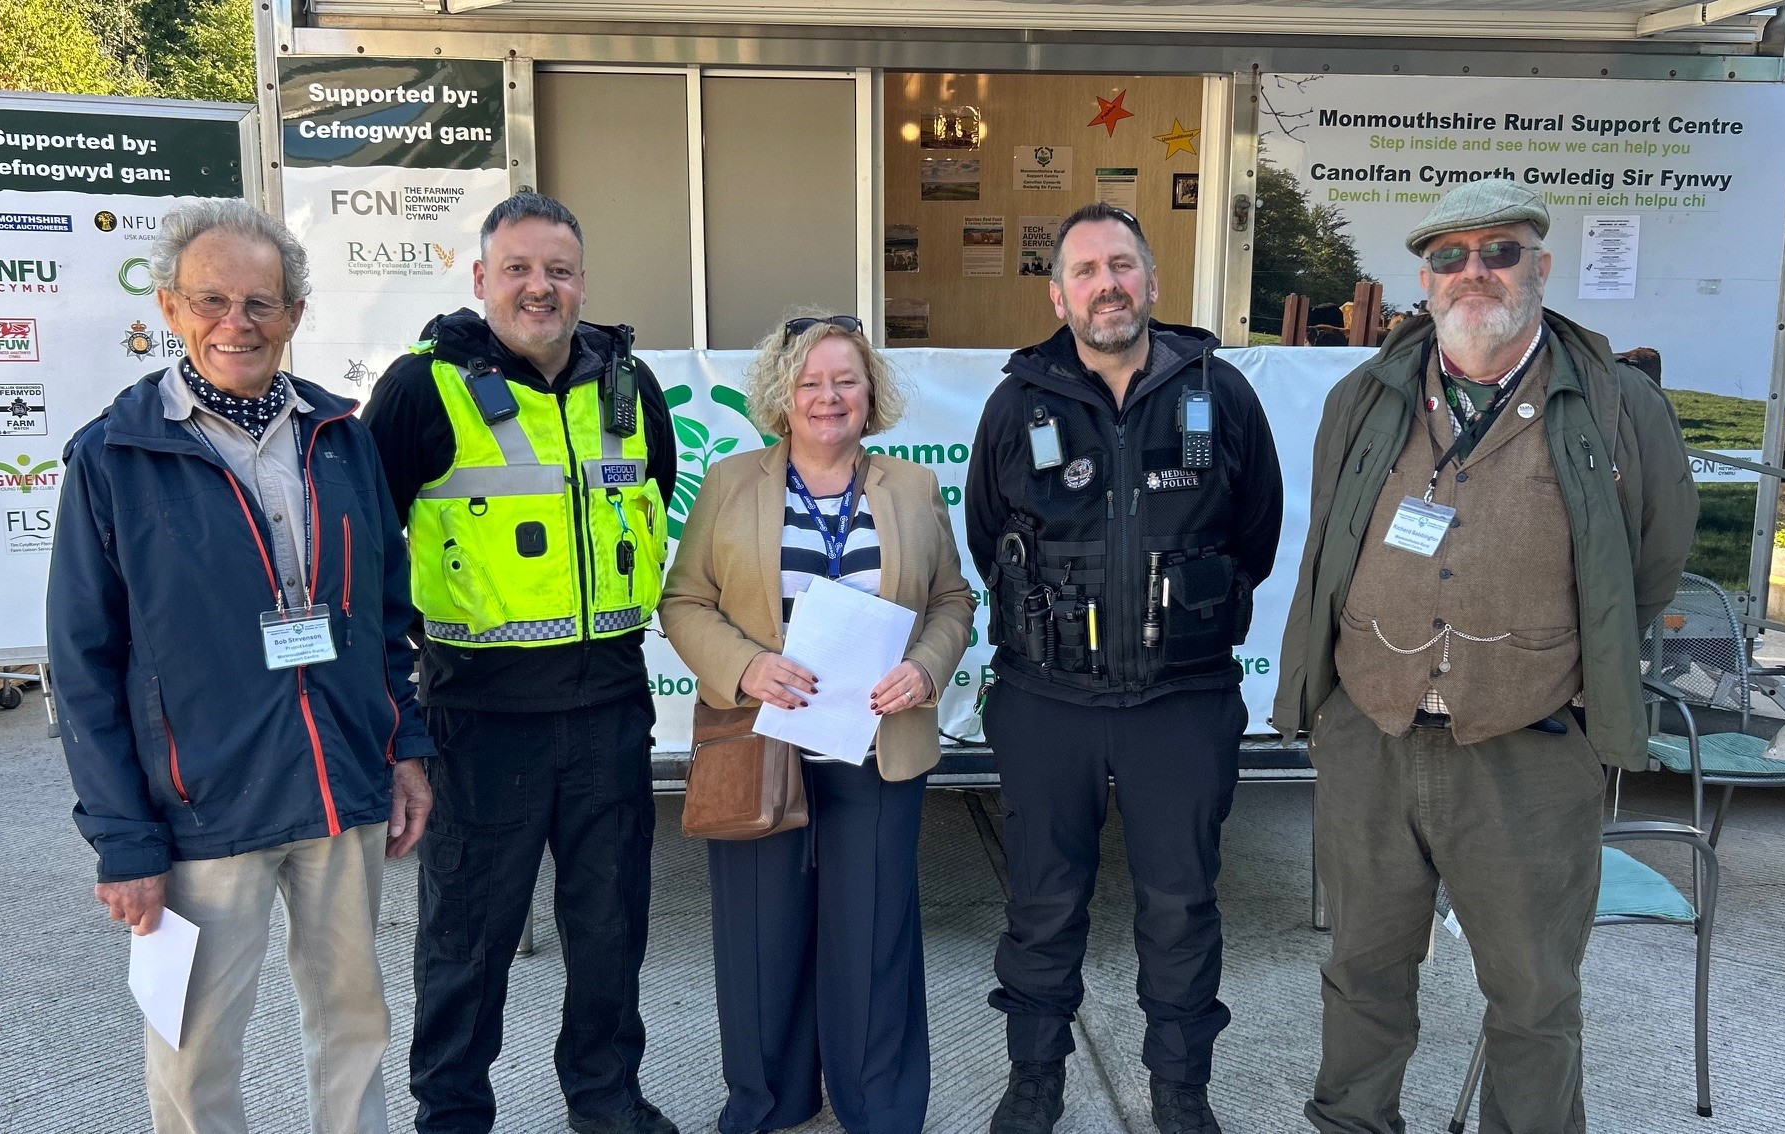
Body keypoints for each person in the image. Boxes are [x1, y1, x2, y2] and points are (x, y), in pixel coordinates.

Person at [1273, 180, 1698, 1134]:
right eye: (1450, 257)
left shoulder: (1619, 403)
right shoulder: (1364, 395)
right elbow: (1328, 548)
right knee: (1361, 974)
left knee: (1535, 996)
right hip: (1371, 738)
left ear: (1540, 268)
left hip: (1529, 749)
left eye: (1499, 252)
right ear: (1423, 279)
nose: (1475, 273)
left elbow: (1655, 558)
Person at [50, 198, 435, 1134]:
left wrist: (406, 747)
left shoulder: (340, 439)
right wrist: (124, 839)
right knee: (191, 1041)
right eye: (212, 300)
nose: (238, 324)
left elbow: (387, 616)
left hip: (340, 787)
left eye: (262, 303)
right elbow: (83, 665)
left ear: (294, 315)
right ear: (173, 311)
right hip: (200, 809)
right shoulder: (114, 455)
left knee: (355, 1021)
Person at [362, 192, 679, 1134]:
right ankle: (451, 1113)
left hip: (612, 710)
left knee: (611, 930)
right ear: (481, 280)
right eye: (519, 269)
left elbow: (652, 507)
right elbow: (369, 564)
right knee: (468, 938)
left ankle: (606, 1099)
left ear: (582, 282)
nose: (540, 287)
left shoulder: (632, 386)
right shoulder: (423, 388)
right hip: (479, 719)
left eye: (559, 270)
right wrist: (396, 728)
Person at [966, 203, 1284, 1134]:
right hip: (1045, 701)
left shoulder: (1219, 394)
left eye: (1123, 265)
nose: (1107, 284)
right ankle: (1037, 1085)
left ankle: (1180, 1095)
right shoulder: (1016, 402)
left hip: (1181, 702)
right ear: (1058, 293)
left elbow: (1255, 535)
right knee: (1040, 904)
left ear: (1150, 281)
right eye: (1087, 270)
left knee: (1181, 906)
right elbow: (990, 537)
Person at [661, 313, 976, 1134]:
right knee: (760, 936)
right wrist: (745, 666)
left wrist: (925, 667)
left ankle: (878, 1106)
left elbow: (952, 601)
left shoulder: (910, 487)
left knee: (872, 938)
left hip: (876, 745)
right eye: (809, 382)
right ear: (781, 396)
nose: (827, 397)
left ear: (870, 393)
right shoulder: (731, 483)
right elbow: (683, 600)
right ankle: (770, 1101)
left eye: (845, 380)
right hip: (759, 741)